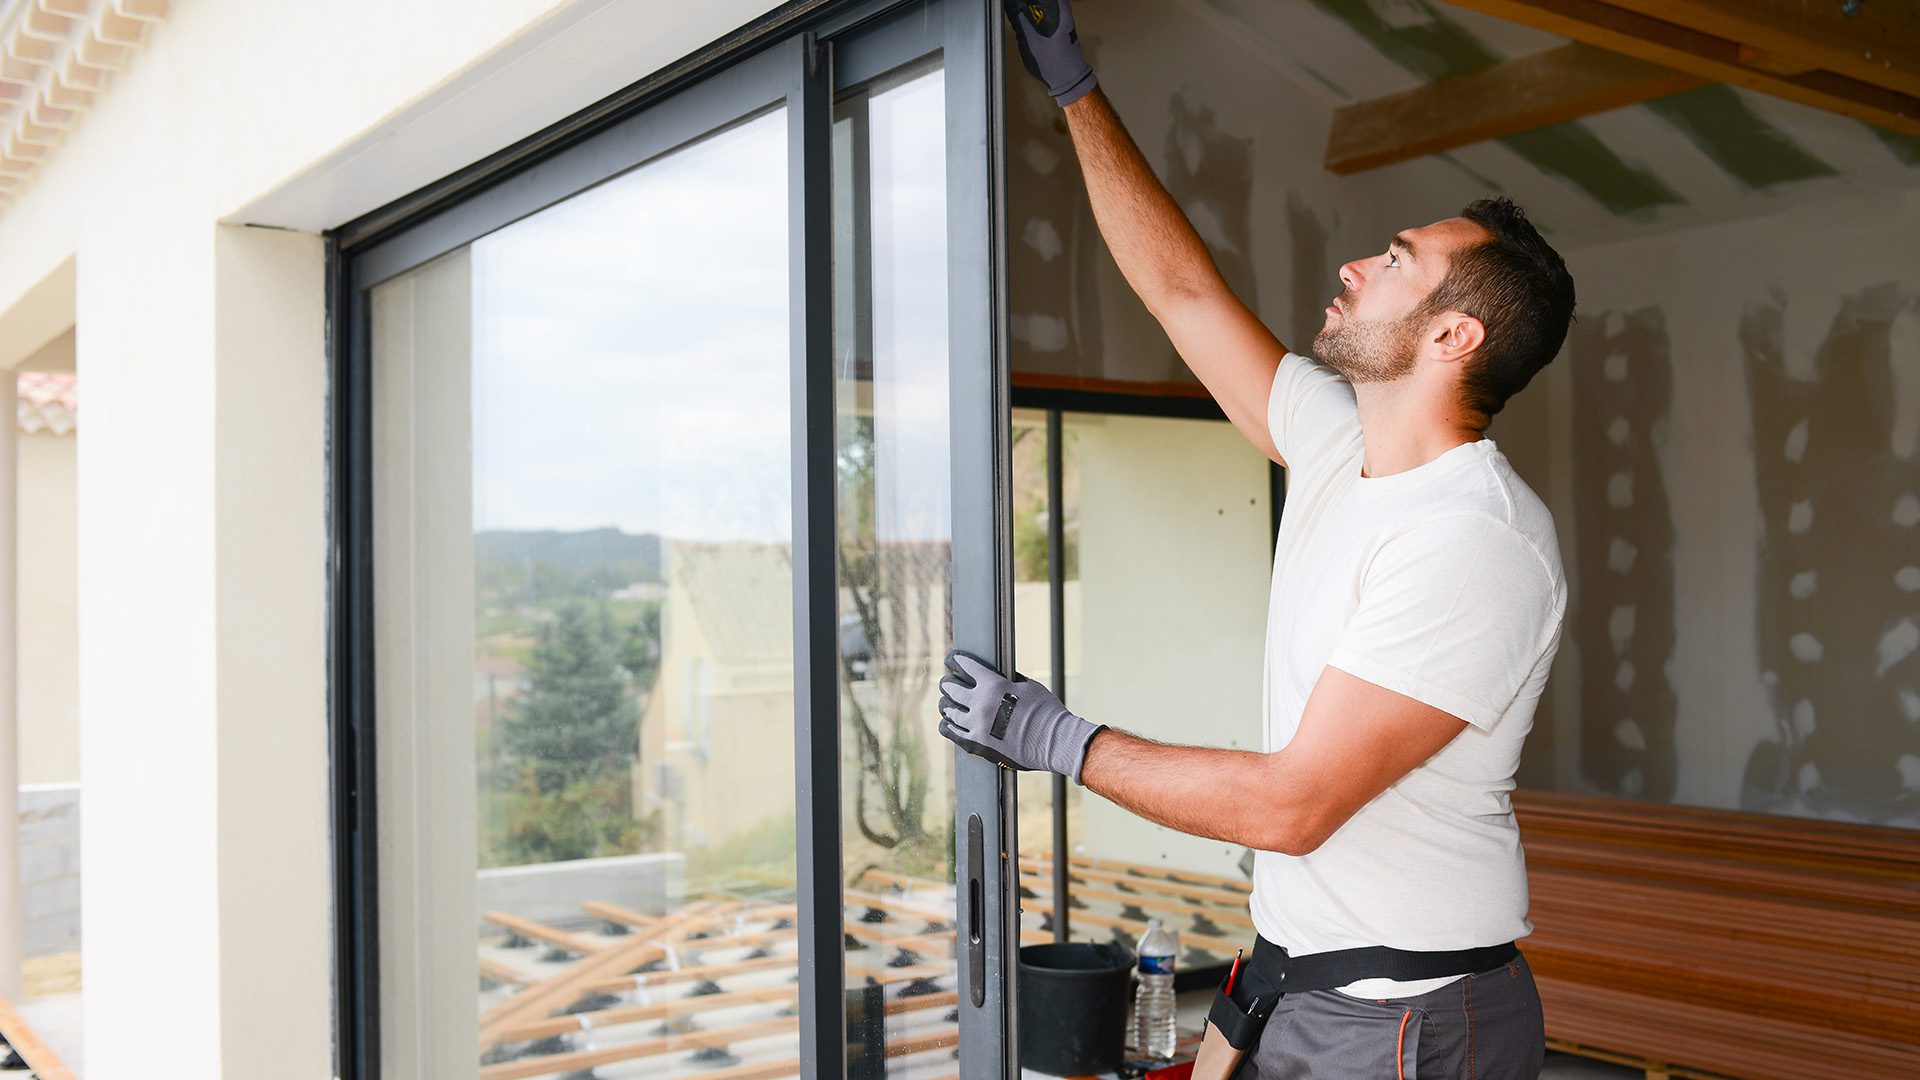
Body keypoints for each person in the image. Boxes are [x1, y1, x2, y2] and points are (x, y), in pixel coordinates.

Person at [936, 2, 1577, 1077]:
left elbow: (1293, 805)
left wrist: (1060, 742)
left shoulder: (1475, 539)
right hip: (1300, 983)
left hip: (1405, 1022)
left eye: (1396, 261)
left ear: (1453, 337)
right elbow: (1182, 294)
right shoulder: (1340, 444)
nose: (1357, 266)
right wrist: (1073, 89)